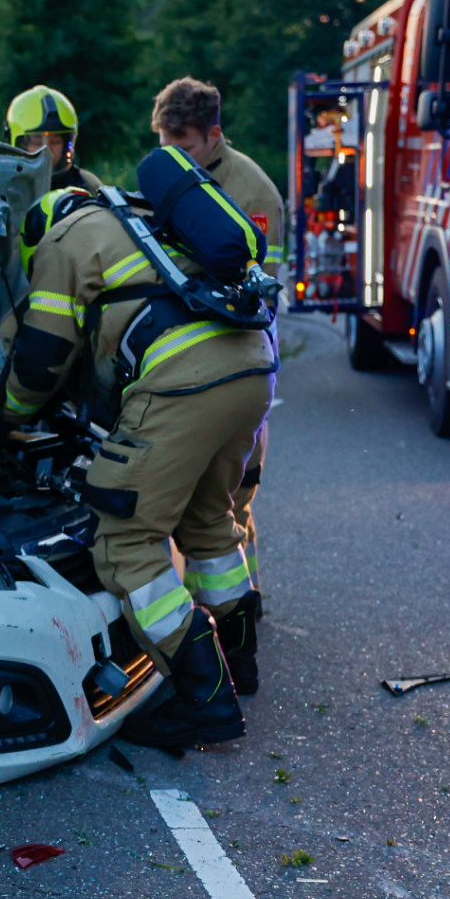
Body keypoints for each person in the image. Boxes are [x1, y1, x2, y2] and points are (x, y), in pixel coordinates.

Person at [0, 179, 276, 748]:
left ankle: (203, 697)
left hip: (181, 381)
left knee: (125, 541)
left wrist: (4, 416)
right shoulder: (143, 219)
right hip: (251, 365)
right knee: (207, 520)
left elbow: (44, 354)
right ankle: (240, 665)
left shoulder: (60, 239)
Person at [149, 77, 283, 695]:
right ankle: (222, 620)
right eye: (162, 139)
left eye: (182, 140)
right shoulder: (176, 176)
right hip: (188, 364)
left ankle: (242, 612)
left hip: (242, 359)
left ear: (214, 136)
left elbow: (261, 297)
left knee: (234, 498)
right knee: (204, 503)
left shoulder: (252, 192)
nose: (170, 150)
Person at [6, 85, 102, 192]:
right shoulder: (0, 186)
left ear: (67, 144)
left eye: (55, 141)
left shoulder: (88, 185)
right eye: (37, 141)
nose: (47, 150)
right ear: (19, 144)